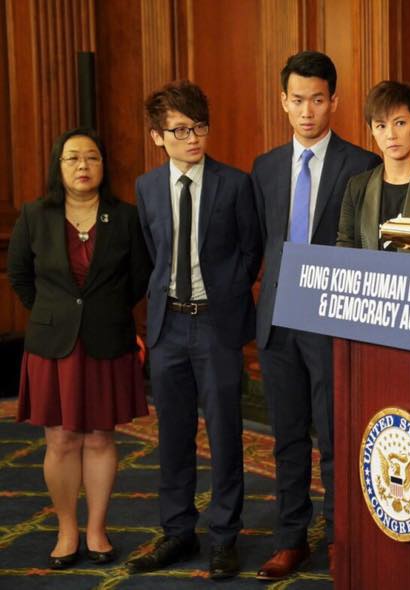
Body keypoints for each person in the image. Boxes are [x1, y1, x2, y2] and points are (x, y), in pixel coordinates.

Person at [251, 51, 380, 581]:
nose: (308, 111)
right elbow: (264, 241)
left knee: (335, 437)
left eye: (318, 99)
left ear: (335, 101)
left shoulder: (361, 165)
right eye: (298, 100)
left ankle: (342, 539)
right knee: (285, 436)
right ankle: (290, 538)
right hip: (279, 319)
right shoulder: (264, 168)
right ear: (283, 101)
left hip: (332, 319)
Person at [127, 81, 261, 580]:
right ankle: (178, 531)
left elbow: (250, 252)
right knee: (173, 435)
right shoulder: (146, 187)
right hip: (168, 327)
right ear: (158, 137)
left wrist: (223, 294)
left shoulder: (235, 183)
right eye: (180, 130)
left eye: (199, 127)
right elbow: (152, 252)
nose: (192, 138)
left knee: (226, 434)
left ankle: (224, 536)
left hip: (216, 327)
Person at [8, 128, 150, 569]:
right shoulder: (35, 215)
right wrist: (57, 313)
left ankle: (97, 530)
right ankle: (67, 529)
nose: (83, 166)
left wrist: (101, 312)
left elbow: (139, 276)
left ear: (103, 166)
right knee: (62, 438)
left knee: (101, 436)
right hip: (53, 344)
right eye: (73, 158)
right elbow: (19, 276)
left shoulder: (124, 217)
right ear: (59, 166)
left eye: (91, 157)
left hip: (107, 338)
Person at [337, 80, 410, 249]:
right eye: (381, 126)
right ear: (372, 131)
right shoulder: (357, 186)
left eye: (400, 123)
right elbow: (344, 250)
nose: (391, 135)